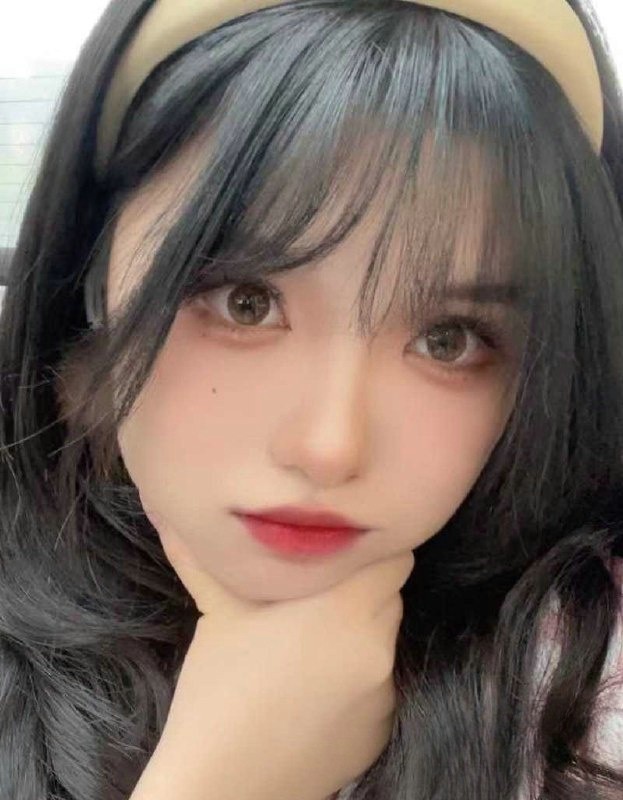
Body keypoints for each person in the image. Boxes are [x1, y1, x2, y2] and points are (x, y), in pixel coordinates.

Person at [1, 0, 623, 797]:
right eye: (245, 302)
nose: (329, 448)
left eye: (449, 340)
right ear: (92, 285)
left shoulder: (584, 693)